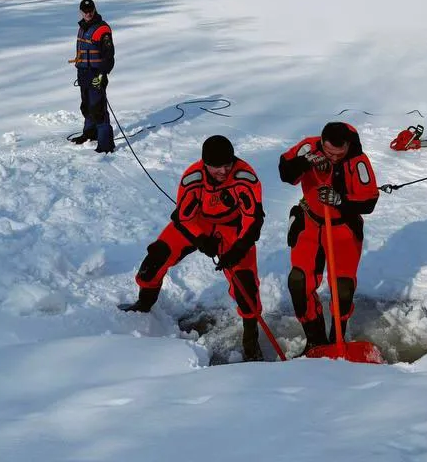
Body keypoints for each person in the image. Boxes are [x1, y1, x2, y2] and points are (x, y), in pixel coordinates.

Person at [121, 135, 268, 362]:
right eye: (216, 167)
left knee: (246, 287)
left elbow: (253, 220)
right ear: (205, 163)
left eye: (227, 165)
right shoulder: (193, 178)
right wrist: (201, 240)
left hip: (233, 228)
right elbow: (184, 217)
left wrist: (237, 249)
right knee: (155, 259)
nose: (223, 171)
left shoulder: (244, 178)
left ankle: (251, 341)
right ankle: (144, 305)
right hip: (198, 223)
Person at [278, 122, 379, 351]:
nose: (333, 157)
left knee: (342, 288)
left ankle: (337, 339)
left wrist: (340, 200)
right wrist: (305, 162)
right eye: (328, 152)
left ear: (347, 146)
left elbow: (369, 202)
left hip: (342, 226)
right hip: (310, 222)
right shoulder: (309, 147)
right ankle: (314, 341)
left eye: (338, 153)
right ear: (322, 143)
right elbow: (285, 172)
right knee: (299, 282)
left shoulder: (358, 161)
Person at [70, 0, 115, 152]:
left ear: (95, 10)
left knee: (98, 108)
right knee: (86, 106)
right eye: (85, 11)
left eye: (90, 11)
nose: (88, 14)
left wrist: (102, 76)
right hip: (83, 73)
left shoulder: (102, 29)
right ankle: (89, 134)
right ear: (81, 12)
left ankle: (105, 143)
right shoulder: (82, 27)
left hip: (97, 74)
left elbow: (109, 57)